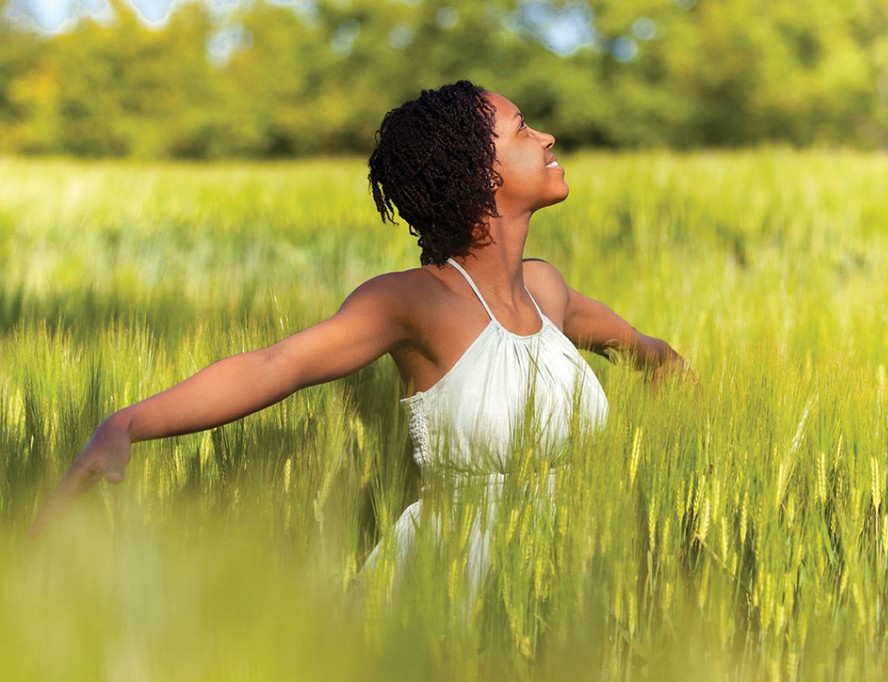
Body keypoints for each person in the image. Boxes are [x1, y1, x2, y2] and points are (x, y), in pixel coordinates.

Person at [29, 81, 689, 541]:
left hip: (569, 582)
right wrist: (126, 424)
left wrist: (678, 412)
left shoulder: (548, 292)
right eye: (522, 128)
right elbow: (276, 364)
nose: (546, 136)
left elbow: (649, 353)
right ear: (483, 170)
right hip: (451, 592)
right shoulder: (415, 302)